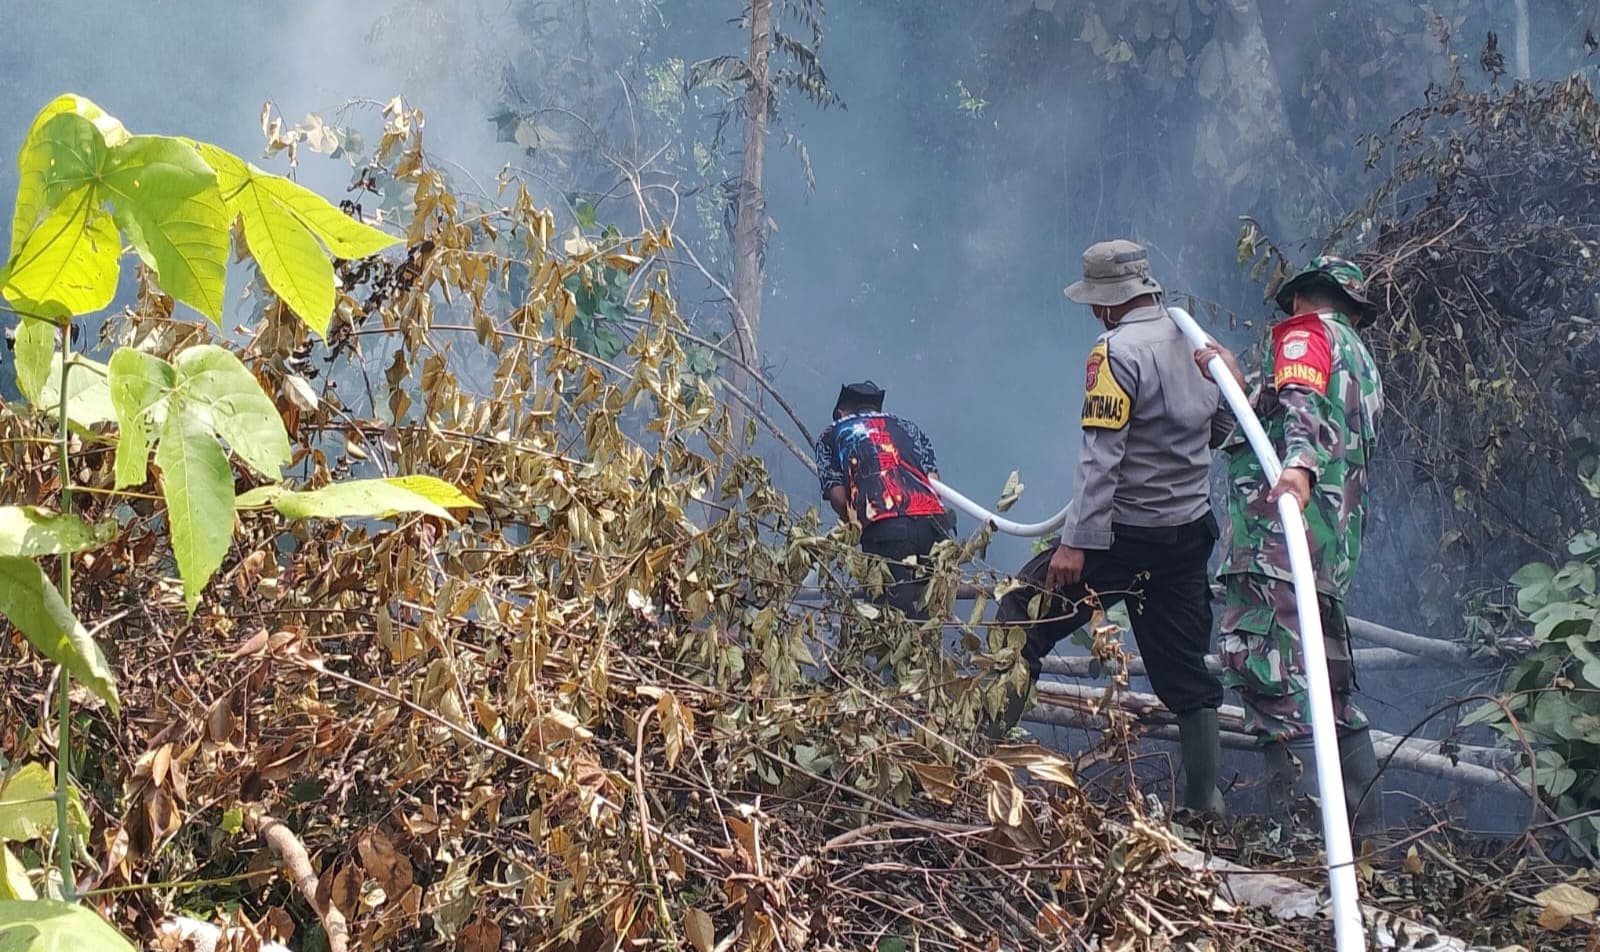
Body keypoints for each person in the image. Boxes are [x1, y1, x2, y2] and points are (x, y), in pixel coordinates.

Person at [994, 240, 1231, 814]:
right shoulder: (1197, 344)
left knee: (1019, 619)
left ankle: (984, 760)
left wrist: (1075, 543)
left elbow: (1102, 456)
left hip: (1122, 537)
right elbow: (1224, 430)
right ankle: (1206, 806)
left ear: (1104, 304)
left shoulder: (1114, 352)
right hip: (1187, 534)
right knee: (1184, 669)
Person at [1194, 256, 1386, 836]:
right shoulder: (1363, 362)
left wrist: (1298, 471)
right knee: (1330, 699)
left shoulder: (1305, 335)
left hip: (1274, 547)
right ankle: (1370, 851)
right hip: (1326, 554)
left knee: (1271, 686)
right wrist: (1227, 377)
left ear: (1305, 298)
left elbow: (1303, 412)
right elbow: (1255, 427)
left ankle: (1303, 848)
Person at [815, 381, 952, 620]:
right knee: (926, 613)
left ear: (841, 411)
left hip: (885, 526)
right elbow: (932, 479)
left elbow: (837, 494)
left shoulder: (832, 432)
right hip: (934, 526)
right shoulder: (908, 427)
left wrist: (855, 528)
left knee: (890, 620)